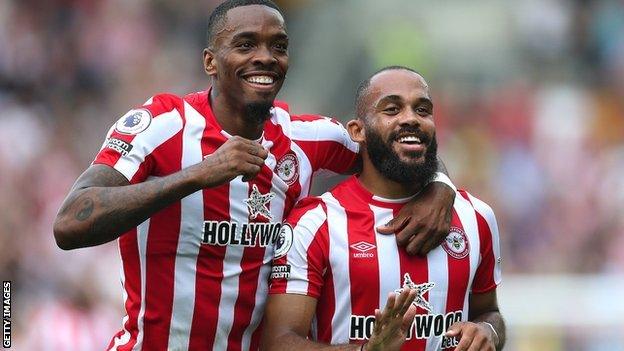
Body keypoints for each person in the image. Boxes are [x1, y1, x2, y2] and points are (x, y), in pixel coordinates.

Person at [53, 1, 456, 350]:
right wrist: (196, 175)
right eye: (246, 45)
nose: (265, 57)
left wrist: (440, 184)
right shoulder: (162, 125)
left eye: (277, 46)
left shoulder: (306, 138)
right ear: (210, 61)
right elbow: (70, 223)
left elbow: (400, 145)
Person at [263, 67, 505, 351]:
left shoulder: (477, 218)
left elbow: (490, 312)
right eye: (392, 110)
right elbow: (277, 343)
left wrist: (489, 330)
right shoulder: (316, 224)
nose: (411, 119)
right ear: (358, 131)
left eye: (423, 110)